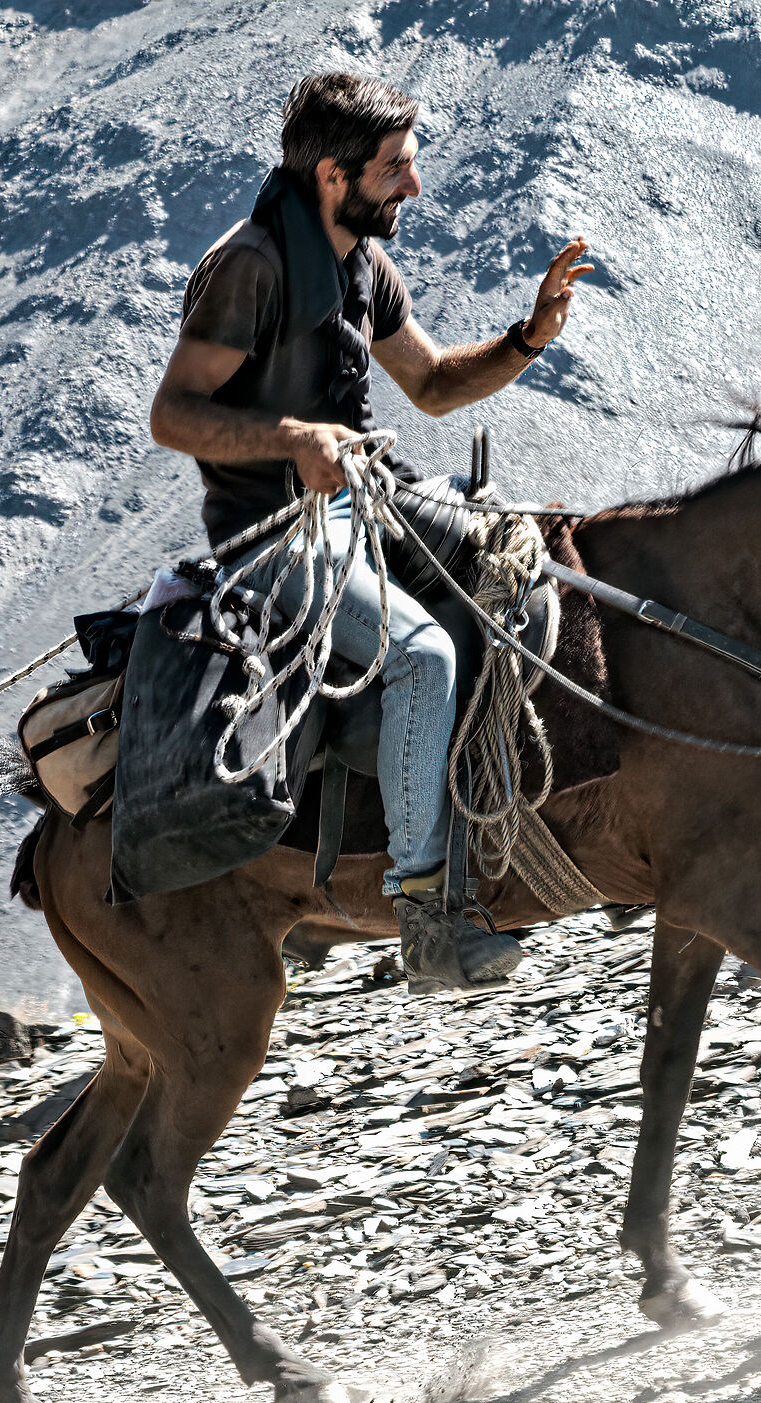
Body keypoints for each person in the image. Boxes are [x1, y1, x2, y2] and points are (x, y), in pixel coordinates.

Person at [148, 71, 592, 991]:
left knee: (516, 545)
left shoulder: (359, 261)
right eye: (395, 170)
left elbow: (430, 383)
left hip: (363, 499)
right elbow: (173, 416)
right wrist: (290, 440)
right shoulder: (251, 269)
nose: (414, 188)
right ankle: (425, 917)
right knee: (422, 655)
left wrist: (528, 337)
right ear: (329, 176)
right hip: (270, 538)